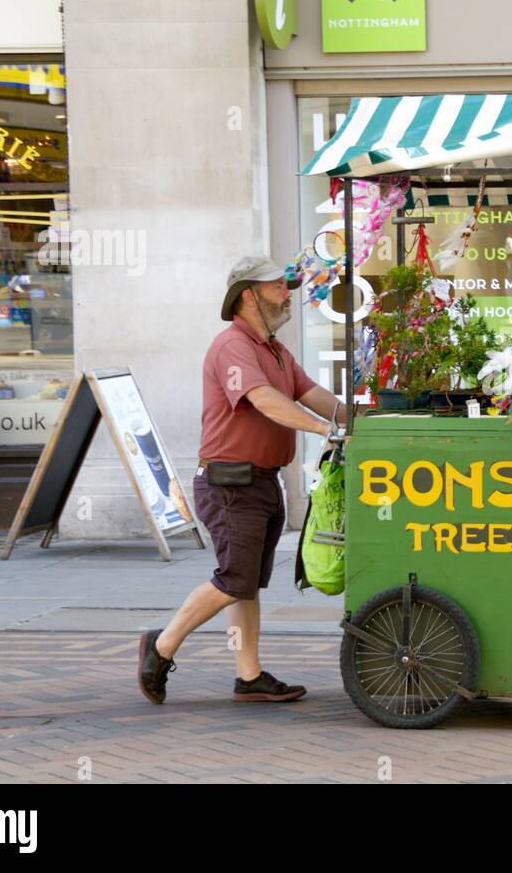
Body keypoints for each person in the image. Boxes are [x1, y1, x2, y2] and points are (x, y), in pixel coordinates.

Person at [138, 256, 346, 705]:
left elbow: (312, 394)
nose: (287, 293)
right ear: (248, 295)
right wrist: (324, 430)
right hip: (230, 483)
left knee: (246, 582)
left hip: (261, 482)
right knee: (234, 579)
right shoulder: (233, 346)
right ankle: (161, 645)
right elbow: (264, 400)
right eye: (278, 287)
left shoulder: (273, 348)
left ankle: (248, 676)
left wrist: (365, 420)